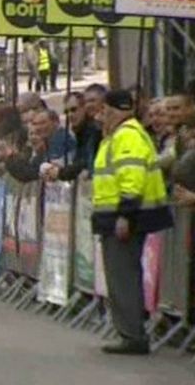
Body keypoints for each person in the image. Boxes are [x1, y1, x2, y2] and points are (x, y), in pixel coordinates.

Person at [92, 89, 173, 355]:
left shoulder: (126, 136)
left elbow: (131, 177)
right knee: (123, 275)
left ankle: (132, 335)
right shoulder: (125, 135)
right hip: (119, 216)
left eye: (103, 110)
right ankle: (131, 332)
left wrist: (125, 214)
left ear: (113, 110)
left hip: (123, 218)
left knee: (122, 276)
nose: (100, 116)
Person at [43, 92, 102, 182]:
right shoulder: (77, 134)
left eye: (73, 110)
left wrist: (61, 172)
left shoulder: (94, 132)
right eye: (66, 112)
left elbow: (85, 162)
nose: (70, 115)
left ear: (84, 108)